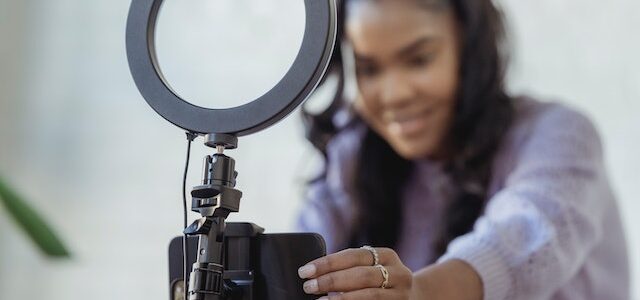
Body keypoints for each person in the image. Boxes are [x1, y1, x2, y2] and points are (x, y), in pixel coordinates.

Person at [295, 0, 630, 299]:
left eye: (419, 60)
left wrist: (421, 293)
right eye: (369, 69)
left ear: (469, 47)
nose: (394, 94)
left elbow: (522, 240)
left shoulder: (559, 135)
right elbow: (303, 260)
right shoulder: (352, 153)